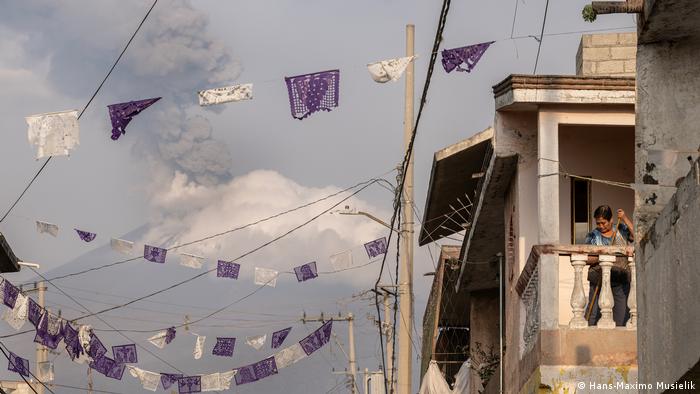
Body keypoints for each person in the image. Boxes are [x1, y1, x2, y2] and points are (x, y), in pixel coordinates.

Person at [584, 205, 634, 326]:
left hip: (620, 278)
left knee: (622, 315)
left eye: (604, 223)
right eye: (598, 223)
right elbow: (586, 258)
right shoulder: (592, 236)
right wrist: (602, 255)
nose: (601, 226)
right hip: (599, 278)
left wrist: (625, 218)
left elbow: (636, 236)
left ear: (611, 220)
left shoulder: (620, 228)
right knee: (593, 314)